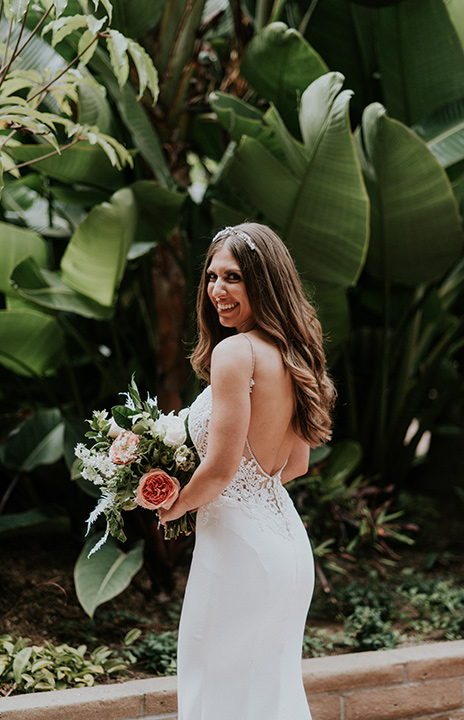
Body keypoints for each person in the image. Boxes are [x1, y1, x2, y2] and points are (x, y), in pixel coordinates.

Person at [159, 222, 336, 720]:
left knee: (215, 692)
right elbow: (295, 464)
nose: (217, 290)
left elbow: (220, 469)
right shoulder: (298, 354)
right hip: (287, 552)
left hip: (236, 553)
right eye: (212, 277)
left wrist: (169, 505)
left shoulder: (235, 352)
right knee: (269, 696)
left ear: (264, 280)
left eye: (233, 277)